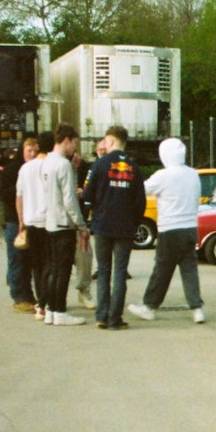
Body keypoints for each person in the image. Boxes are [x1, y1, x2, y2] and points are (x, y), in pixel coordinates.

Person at [128, 137, 205, 324]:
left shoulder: (163, 175)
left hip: (169, 229)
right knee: (189, 270)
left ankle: (149, 306)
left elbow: (140, 189)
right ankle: (197, 308)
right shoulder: (192, 174)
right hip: (190, 227)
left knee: (162, 270)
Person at [82, 125, 146, 330]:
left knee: (103, 271)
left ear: (109, 141)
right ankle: (115, 318)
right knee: (120, 272)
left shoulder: (100, 165)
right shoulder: (134, 168)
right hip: (125, 227)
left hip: (102, 226)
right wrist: (133, 223)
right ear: (124, 143)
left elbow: (87, 195)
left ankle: (101, 315)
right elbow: (141, 203)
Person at [40, 123, 89, 326]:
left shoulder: (47, 162)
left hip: (51, 222)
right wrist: (81, 225)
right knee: (63, 270)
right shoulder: (63, 164)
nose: (75, 149)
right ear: (67, 139)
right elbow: (70, 199)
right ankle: (60, 310)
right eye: (74, 143)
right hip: (64, 225)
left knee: (53, 268)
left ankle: (51, 309)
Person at [15, 133, 51, 320]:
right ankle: (49, 302)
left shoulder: (25, 169)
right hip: (49, 221)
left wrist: (21, 220)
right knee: (51, 264)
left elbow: (19, 196)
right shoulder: (52, 166)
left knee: (37, 265)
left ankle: (41, 305)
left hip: (30, 221)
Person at [0, 140, 36, 311]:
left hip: (33, 220)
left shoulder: (37, 169)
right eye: (29, 150)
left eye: (36, 150)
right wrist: (23, 190)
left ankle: (28, 295)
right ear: (22, 151)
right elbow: (4, 194)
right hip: (14, 221)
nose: (33, 154)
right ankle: (19, 296)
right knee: (17, 259)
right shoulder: (11, 170)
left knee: (29, 261)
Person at [70, 141, 96, 310]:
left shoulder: (86, 167)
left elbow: (92, 187)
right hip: (61, 222)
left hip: (80, 220)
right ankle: (51, 298)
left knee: (85, 256)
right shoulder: (59, 166)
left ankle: (84, 292)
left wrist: (84, 192)